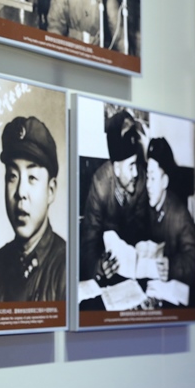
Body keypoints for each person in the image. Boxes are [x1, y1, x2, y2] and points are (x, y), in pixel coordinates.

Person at [0, 116, 66, 303]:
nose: (20, 192)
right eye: (12, 176)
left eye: (32, 177)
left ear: (51, 190)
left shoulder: (66, 266)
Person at [79, 109, 148, 283]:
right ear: (116, 168)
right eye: (130, 166)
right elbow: (89, 240)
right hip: (106, 266)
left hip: (131, 268)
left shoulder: (141, 180)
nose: (136, 173)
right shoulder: (100, 185)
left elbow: (142, 230)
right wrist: (99, 267)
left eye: (136, 164)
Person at [143, 137, 195, 304]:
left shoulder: (180, 215)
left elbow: (194, 260)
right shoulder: (145, 206)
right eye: (147, 177)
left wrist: (172, 267)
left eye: (153, 178)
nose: (148, 185)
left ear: (164, 181)